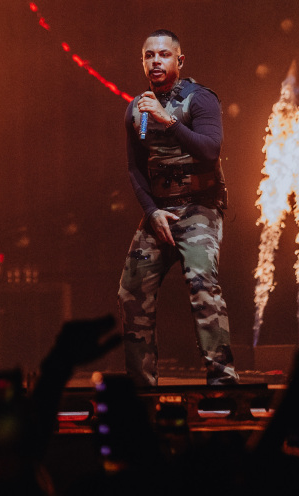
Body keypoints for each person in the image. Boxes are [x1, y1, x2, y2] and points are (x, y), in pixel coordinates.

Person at [118, 29, 237, 385]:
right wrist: (151, 212)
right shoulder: (136, 110)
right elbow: (135, 167)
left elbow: (210, 149)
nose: (156, 61)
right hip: (161, 211)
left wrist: (167, 122)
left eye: (163, 55)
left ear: (179, 60)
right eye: (149, 56)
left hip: (200, 207)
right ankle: (141, 386)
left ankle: (222, 381)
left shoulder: (200, 99)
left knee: (202, 284)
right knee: (131, 291)